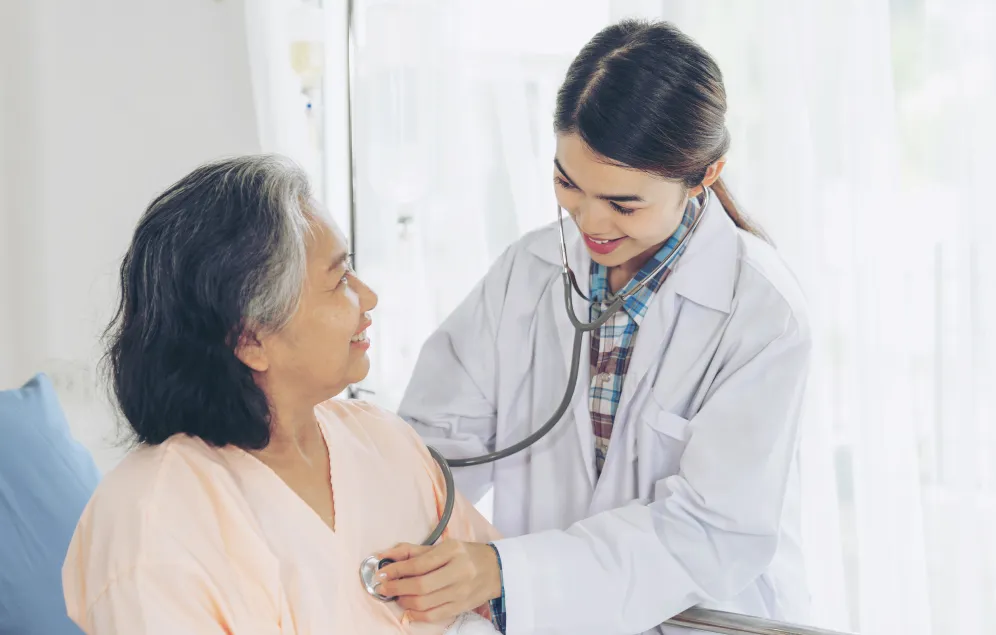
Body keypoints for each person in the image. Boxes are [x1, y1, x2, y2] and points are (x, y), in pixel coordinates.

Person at [376, 19, 813, 635]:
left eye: (623, 203)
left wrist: (506, 572)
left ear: (704, 175)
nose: (590, 221)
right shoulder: (525, 274)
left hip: (704, 619)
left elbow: (713, 531)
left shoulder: (761, 312)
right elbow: (436, 453)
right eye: (567, 184)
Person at [61, 156, 503, 635]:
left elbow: (497, 587)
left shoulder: (385, 441)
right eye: (338, 281)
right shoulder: (152, 519)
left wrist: (490, 577)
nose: (368, 297)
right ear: (250, 340)